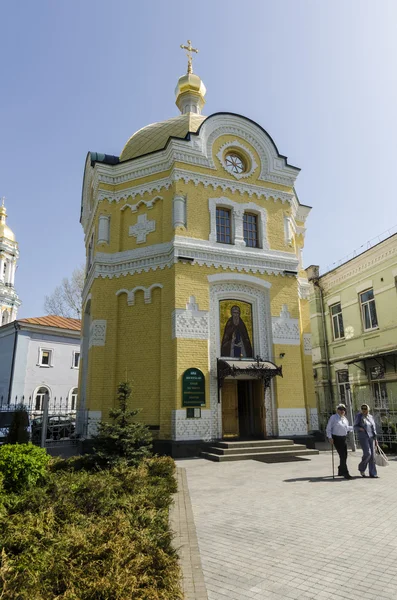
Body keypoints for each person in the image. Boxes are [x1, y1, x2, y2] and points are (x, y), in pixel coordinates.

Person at [326, 404, 353, 479]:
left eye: (343, 410)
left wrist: (354, 428)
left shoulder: (345, 419)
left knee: (345, 455)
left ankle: (341, 469)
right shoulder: (333, 417)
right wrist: (330, 437)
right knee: (342, 455)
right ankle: (345, 473)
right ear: (337, 410)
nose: (342, 411)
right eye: (340, 409)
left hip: (343, 438)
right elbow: (328, 428)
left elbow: (346, 428)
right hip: (336, 438)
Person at [354, 404, 378, 478]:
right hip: (363, 437)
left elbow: (373, 428)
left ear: (368, 409)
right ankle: (362, 468)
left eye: (365, 409)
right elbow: (355, 426)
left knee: (372, 456)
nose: (364, 411)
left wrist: (375, 439)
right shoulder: (359, 416)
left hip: (371, 437)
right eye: (363, 409)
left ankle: (373, 473)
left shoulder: (370, 417)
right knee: (368, 453)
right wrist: (360, 429)